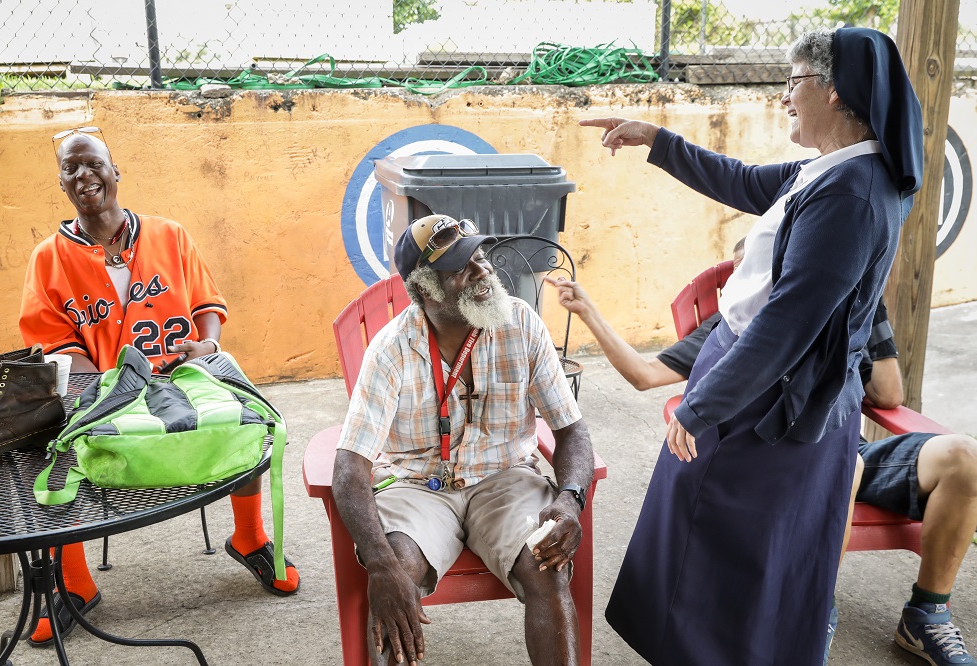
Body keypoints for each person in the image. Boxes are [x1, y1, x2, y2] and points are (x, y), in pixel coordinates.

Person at [580, 26, 924, 664]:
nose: (784, 98)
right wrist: (654, 138)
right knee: (713, 551)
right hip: (752, 382)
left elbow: (789, 323)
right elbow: (739, 180)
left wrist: (702, 404)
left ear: (837, 91)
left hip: (766, 401)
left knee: (728, 557)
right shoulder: (831, 172)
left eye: (793, 83)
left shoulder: (851, 194)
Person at [550, 267, 977, 665]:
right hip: (781, 469)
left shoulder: (844, 313)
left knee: (966, 458)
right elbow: (645, 374)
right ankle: (812, 608)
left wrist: (866, 312)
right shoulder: (733, 329)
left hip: (855, 450)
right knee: (844, 471)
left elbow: (887, 394)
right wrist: (588, 311)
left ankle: (926, 613)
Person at [18, 127, 300, 646]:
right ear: (61, 183)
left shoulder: (169, 234)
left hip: (185, 379)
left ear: (115, 170)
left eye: (93, 163)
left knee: (243, 416)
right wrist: (101, 379)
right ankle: (75, 585)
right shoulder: (48, 257)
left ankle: (249, 537)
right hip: (107, 395)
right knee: (52, 446)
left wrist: (207, 347)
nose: (84, 175)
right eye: (70, 168)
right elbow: (52, 338)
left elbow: (207, 306)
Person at [331, 214, 594, 666]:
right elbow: (349, 466)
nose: (483, 271)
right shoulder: (391, 350)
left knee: (546, 565)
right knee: (398, 573)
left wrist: (570, 499)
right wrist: (379, 562)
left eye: (480, 258)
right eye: (462, 268)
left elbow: (571, 430)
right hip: (420, 485)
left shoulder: (522, 325)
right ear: (426, 289)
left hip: (507, 477)